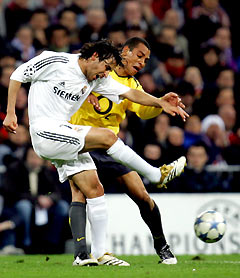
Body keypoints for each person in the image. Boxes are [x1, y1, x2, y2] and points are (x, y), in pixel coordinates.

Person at [3, 39, 188, 266]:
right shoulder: (57, 60)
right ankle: (155, 175)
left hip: (71, 137)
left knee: (95, 189)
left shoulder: (97, 80)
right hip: (46, 132)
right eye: (106, 68)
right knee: (107, 139)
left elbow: (131, 94)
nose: (106, 74)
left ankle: (93, 255)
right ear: (94, 57)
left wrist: (160, 102)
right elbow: (18, 74)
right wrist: (11, 112)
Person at [70, 37, 186, 265]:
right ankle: (81, 253)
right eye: (139, 55)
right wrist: (86, 91)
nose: (142, 62)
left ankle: (162, 246)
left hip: (110, 147)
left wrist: (161, 105)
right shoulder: (100, 68)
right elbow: (73, 75)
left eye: (146, 60)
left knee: (141, 195)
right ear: (125, 51)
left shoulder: (133, 85)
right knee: (81, 193)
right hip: (81, 139)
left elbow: (143, 111)